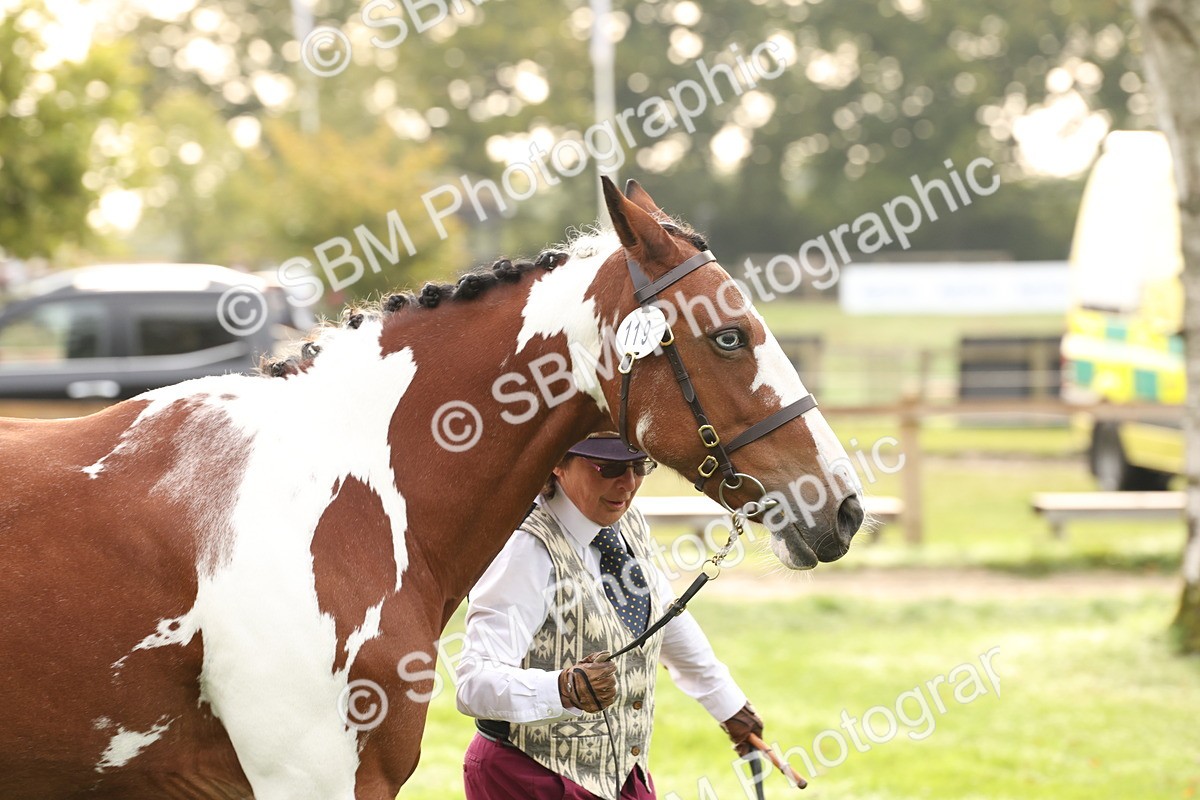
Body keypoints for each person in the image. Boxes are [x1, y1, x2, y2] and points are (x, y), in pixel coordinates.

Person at [456, 432, 764, 800]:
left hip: (622, 777)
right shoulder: (525, 548)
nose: (629, 484)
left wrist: (729, 706)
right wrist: (562, 689)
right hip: (526, 778)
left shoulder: (628, 521)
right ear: (556, 462)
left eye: (640, 466)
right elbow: (473, 682)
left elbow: (661, 615)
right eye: (609, 467)